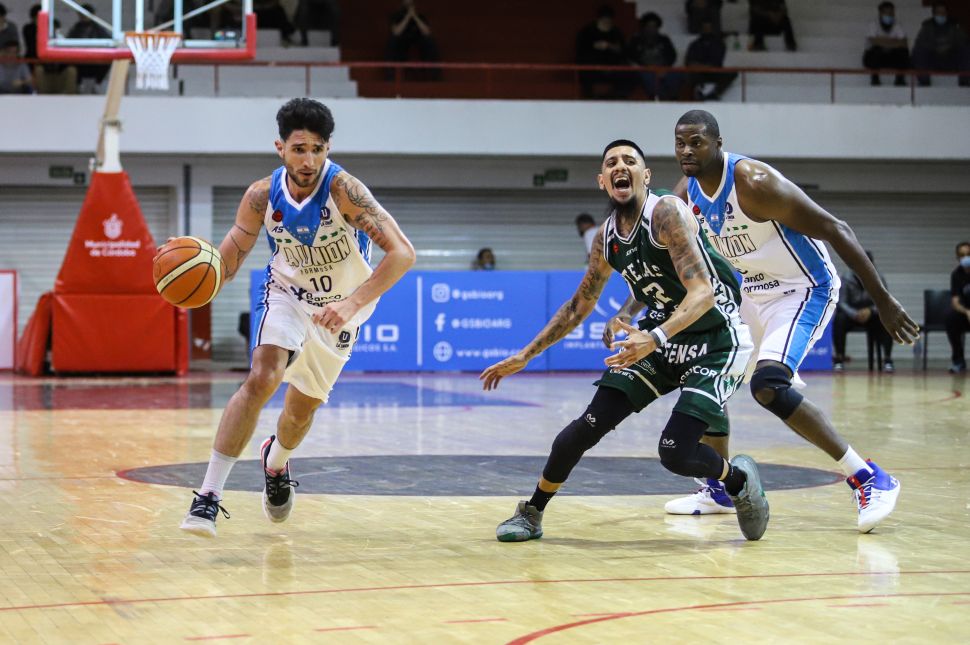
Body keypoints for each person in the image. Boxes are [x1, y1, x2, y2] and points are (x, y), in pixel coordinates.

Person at [480, 139, 769, 544]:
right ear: (602, 181)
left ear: (645, 175)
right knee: (586, 426)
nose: (621, 166)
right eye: (611, 162)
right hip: (660, 337)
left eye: (630, 161)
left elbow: (702, 292)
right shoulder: (606, 238)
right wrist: (526, 354)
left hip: (717, 337)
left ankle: (738, 480)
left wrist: (653, 336)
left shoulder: (666, 213)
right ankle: (532, 512)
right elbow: (579, 305)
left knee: (675, 451)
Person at [664, 110, 918, 532]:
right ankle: (719, 489)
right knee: (709, 373)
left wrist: (883, 301)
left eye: (697, 142)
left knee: (768, 386)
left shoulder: (755, 183)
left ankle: (868, 476)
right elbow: (673, 247)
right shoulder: (686, 192)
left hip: (802, 289)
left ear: (718, 143)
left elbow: (837, 229)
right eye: (680, 143)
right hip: (750, 294)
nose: (687, 151)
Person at [177, 98, 416, 537]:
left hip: (341, 310)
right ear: (280, 148)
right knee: (262, 376)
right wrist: (192, 276)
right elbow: (227, 262)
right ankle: (208, 496)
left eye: (317, 150)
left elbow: (402, 253)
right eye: (299, 149)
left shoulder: (345, 191)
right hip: (287, 293)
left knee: (299, 414)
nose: (309, 161)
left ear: (328, 149)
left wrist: (351, 304)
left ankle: (276, 462)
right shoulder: (260, 197)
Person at [831, 250, 894, 372]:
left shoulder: (879, 279)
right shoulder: (846, 278)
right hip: (852, 316)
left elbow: (884, 301)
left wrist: (870, 311)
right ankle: (839, 359)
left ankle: (887, 359)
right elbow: (842, 302)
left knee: (886, 319)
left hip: (871, 316)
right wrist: (855, 314)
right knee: (839, 319)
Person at [911, 2, 970, 87]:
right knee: (919, 51)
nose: (941, 15)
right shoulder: (926, 27)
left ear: (946, 14)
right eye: (938, 12)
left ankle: (964, 80)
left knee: (966, 50)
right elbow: (920, 44)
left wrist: (948, 47)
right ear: (934, 14)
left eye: (943, 13)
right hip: (933, 60)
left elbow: (963, 42)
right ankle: (924, 81)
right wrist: (936, 48)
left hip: (950, 59)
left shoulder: (954, 26)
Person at [626, 11, 682, 101]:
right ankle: (658, 98)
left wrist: (664, 68)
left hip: (663, 69)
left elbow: (672, 56)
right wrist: (646, 68)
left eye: (654, 26)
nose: (651, 29)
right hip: (644, 70)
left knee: (676, 74)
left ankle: (673, 98)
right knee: (647, 76)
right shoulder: (636, 40)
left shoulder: (664, 40)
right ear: (644, 27)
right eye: (649, 26)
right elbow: (631, 57)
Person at [576, 5, 628, 99]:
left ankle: (616, 98)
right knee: (585, 71)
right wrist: (594, 46)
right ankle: (589, 97)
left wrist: (610, 46)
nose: (606, 23)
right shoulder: (587, 31)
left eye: (608, 21)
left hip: (612, 68)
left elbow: (623, 51)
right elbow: (580, 51)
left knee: (627, 73)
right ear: (598, 20)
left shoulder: (616, 32)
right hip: (592, 67)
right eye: (604, 21)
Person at [22, 4, 77, 95]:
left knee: (71, 70)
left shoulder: (55, 32)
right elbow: (33, 47)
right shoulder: (29, 29)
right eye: (38, 18)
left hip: (57, 68)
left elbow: (63, 49)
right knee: (39, 69)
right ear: (33, 18)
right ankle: (42, 96)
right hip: (41, 67)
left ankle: (71, 97)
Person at [386, 0, 440, 81]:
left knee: (430, 42)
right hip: (401, 43)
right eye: (407, 5)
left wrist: (414, 16)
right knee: (391, 42)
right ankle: (390, 76)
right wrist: (408, 16)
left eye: (411, 5)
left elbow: (427, 32)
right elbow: (396, 32)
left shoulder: (420, 17)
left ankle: (435, 76)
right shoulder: (397, 17)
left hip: (418, 43)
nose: (409, 7)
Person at [685, 19, 737, 100]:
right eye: (704, 28)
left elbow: (717, 61)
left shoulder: (719, 44)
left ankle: (715, 93)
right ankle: (695, 96)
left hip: (714, 72)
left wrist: (706, 66)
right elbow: (689, 62)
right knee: (687, 76)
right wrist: (700, 66)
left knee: (732, 73)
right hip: (698, 73)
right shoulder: (694, 44)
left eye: (708, 28)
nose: (706, 30)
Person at [863, 1, 910, 86]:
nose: (889, 15)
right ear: (880, 13)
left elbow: (904, 42)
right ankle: (875, 79)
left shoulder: (897, 24)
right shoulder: (873, 24)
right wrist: (894, 42)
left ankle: (900, 79)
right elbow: (873, 41)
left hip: (891, 57)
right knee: (875, 50)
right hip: (876, 58)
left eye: (891, 13)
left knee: (903, 52)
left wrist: (883, 42)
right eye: (886, 13)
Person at [66, 4, 110, 93]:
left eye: (85, 15)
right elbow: (68, 42)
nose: (83, 17)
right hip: (80, 60)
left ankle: (97, 84)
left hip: (95, 60)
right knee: (69, 64)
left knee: (107, 62)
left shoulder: (98, 28)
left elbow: (108, 41)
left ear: (92, 15)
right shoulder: (76, 28)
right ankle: (78, 85)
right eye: (81, 15)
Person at [946, 241, 970, 373]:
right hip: (965, 315)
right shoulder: (956, 275)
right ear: (958, 258)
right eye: (962, 255)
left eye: (968, 254)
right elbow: (955, 302)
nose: (966, 257)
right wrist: (967, 312)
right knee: (951, 318)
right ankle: (958, 361)